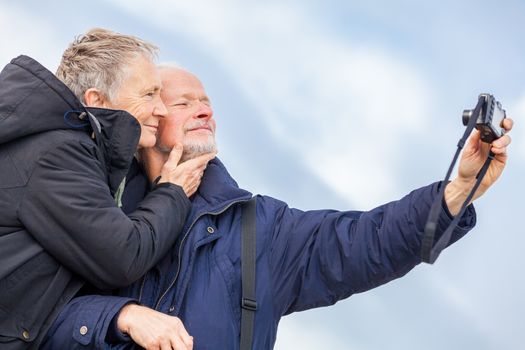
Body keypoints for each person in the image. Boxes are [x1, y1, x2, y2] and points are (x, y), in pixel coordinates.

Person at [43, 65, 514, 350]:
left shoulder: (260, 227)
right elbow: (29, 318)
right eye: (184, 102)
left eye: (207, 102)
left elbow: (366, 241)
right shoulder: (90, 206)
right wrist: (122, 316)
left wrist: (459, 188)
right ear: (149, 118)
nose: (204, 110)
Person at [0, 30, 215, 350]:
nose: (161, 109)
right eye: (148, 95)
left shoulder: (57, 144)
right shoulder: (57, 154)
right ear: (96, 100)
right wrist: (173, 191)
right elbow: (122, 255)